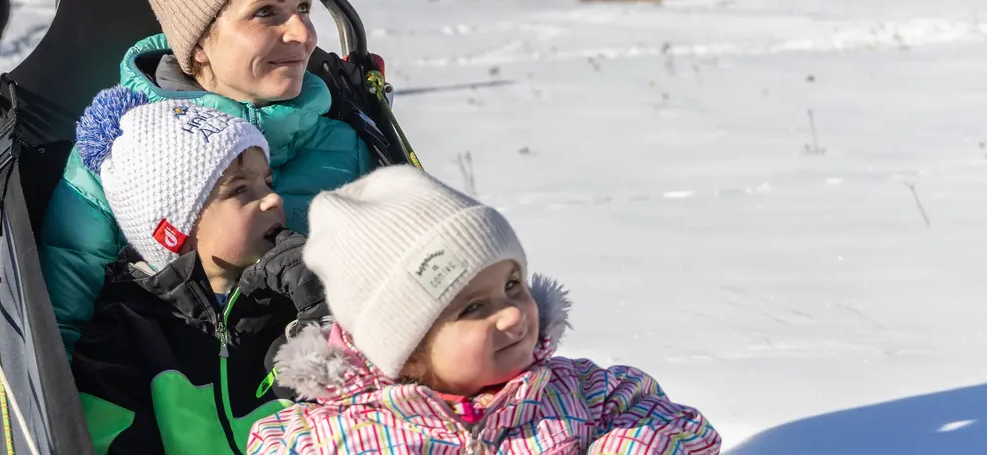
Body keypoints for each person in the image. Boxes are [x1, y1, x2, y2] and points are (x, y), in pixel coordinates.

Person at [40, 0, 373, 354]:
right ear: (198, 44)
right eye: (266, 12)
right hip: (161, 393)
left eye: (302, 6)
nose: (302, 32)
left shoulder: (343, 144)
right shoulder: (121, 152)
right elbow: (64, 309)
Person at [247, 166, 724, 455]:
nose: (515, 314)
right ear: (405, 347)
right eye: (474, 307)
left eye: (512, 285)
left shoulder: (581, 392)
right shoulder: (332, 436)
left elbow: (680, 429)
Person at [69, 91, 327, 453]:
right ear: (176, 231)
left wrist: (320, 302)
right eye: (239, 189)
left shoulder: (293, 295)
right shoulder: (125, 332)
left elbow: (364, 411)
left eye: (267, 183)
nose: (273, 199)